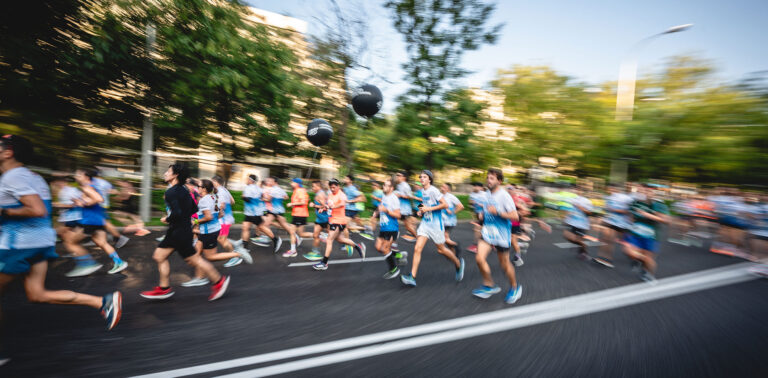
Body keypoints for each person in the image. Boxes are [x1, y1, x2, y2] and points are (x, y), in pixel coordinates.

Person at [0, 135, 121, 364]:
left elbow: (36, 209)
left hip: (19, 244)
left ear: (9, 152)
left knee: (89, 243)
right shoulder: (31, 176)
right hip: (39, 241)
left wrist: (4, 213)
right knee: (37, 294)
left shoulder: (12, 177)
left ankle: (99, 265)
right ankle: (102, 302)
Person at [140, 163, 229, 301]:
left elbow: (177, 213)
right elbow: (193, 208)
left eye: (168, 171)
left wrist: (167, 218)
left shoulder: (171, 192)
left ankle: (218, 281)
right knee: (159, 256)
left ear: (175, 175)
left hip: (179, 232)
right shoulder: (184, 190)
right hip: (179, 230)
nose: (165, 174)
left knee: (194, 260)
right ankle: (164, 289)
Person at [400, 170, 464, 287]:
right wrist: (420, 211)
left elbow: (445, 204)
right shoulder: (422, 191)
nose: (421, 179)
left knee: (441, 249)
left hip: (436, 226)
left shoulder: (433, 190)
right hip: (425, 224)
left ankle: (458, 263)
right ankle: (412, 277)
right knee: (417, 248)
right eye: (420, 177)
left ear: (429, 179)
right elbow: (423, 203)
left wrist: (428, 209)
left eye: (424, 177)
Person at [182, 179, 252, 287]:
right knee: (197, 255)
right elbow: (220, 214)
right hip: (211, 230)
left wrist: (195, 221)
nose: (197, 188)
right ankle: (200, 278)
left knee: (210, 257)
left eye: (199, 186)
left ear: (204, 189)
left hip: (208, 232)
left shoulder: (204, 200)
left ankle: (238, 254)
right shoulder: (214, 197)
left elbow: (208, 217)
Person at [62, 169, 128, 276]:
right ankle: (119, 262)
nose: (76, 176)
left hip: (88, 221)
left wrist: (85, 202)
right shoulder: (91, 186)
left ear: (86, 177)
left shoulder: (86, 187)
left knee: (69, 241)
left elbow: (99, 199)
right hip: (98, 220)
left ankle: (87, 265)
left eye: (79, 174)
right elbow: (94, 199)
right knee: (102, 243)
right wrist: (81, 202)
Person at [471, 168, 522, 304]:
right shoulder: (486, 194)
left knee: (504, 264)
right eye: (488, 177)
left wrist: (498, 212)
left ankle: (515, 287)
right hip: (488, 232)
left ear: (499, 181)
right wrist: (481, 216)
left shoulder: (504, 196)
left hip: (502, 234)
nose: (489, 180)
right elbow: (486, 210)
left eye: (492, 178)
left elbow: (515, 216)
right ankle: (489, 285)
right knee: (479, 258)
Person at [312, 179, 366, 270]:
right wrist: (323, 208)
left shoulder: (342, 195)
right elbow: (328, 206)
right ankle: (358, 246)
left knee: (329, 239)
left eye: (334, 187)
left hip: (339, 221)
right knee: (340, 239)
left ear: (338, 186)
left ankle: (324, 263)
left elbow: (341, 204)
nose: (332, 189)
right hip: (332, 220)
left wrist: (331, 206)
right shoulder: (329, 195)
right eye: (331, 187)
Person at [622, 185, 669, 283]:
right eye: (644, 191)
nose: (646, 193)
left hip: (651, 235)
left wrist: (647, 215)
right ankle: (641, 261)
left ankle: (649, 275)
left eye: (649, 191)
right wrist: (629, 225)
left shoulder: (658, 204)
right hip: (635, 232)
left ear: (654, 193)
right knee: (628, 251)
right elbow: (631, 216)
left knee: (648, 258)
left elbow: (666, 220)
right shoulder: (636, 203)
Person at [594, 184, 633, 268]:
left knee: (626, 244)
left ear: (617, 189)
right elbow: (607, 210)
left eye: (612, 188)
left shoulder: (625, 198)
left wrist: (615, 210)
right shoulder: (609, 198)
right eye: (609, 189)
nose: (610, 190)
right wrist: (602, 219)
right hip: (611, 222)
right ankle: (604, 258)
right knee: (607, 239)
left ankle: (635, 257)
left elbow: (628, 211)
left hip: (622, 224)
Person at [91, 170, 131, 249]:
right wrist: (106, 192)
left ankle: (119, 238)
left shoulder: (93, 182)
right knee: (100, 224)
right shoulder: (105, 182)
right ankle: (101, 239)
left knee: (105, 223)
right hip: (102, 205)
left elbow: (114, 192)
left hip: (99, 205)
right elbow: (115, 191)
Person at [211, 175, 244, 265]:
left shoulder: (220, 191)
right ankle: (235, 251)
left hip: (224, 220)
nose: (211, 183)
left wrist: (213, 210)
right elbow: (232, 201)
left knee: (221, 239)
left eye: (212, 181)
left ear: (215, 182)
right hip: (226, 219)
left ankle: (235, 256)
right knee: (220, 238)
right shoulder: (224, 190)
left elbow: (222, 205)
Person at [377, 178, 403, 279]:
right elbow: (382, 208)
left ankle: (394, 269)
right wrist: (377, 212)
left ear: (391, 188)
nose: (384, 186)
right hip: (383, 227)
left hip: (391, 228)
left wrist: (386, 210)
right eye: (384, 185)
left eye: (386, 185)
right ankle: (398, 255)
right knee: (378, 248)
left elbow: (398, 215)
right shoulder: (384, 196)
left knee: (384, 249)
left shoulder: (394, 198)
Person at [236, 174, 270, 253]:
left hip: (256, 211)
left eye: (247, 179)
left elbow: (265, 199)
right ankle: (246, 246)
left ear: (251, 180)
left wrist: (243, 197)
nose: (246, 180)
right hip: (255, 211)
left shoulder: (255, 189)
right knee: (247, 228)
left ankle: (271, 238)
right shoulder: (259, 189)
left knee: (262, 226)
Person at [561, 188, 594, 261]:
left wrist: (581, 207)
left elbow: (590, 213)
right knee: (567, 236)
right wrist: (566, 217)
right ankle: (581, 246)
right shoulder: (573, 199)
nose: (578, 191)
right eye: (577, 190)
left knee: (578, 239)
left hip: (582, 224)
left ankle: (584, 252)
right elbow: (570, 209)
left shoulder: (587, 201)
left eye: (580, 190)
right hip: (572, 222)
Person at [303, 181, 330, 261]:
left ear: (318, 187)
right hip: (320, 219)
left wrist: (314, 205)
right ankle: (316, 253)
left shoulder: (320, 195)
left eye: (313, 186)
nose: (312, 188)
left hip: (326, 219)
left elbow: (326, 207)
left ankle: (350, 244)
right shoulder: (318, 194)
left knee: (335, 237)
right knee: (315, 235)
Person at [284, 178, 311, 257]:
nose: (291, 183)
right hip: (298, 214)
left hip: (299, 214)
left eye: (292, 182)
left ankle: (293, 251)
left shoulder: (300, 190)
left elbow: (303, 202)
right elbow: (306, 199)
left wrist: (292, 204)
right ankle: (318, 235)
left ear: (297, 183)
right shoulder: (298, 190)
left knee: (292, 232)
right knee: (300, 234)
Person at [394, 171, 418, 243]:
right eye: (397, 175)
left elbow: (410, 197)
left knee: (407, 225)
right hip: (399, 208)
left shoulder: (405, 185)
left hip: (404, 209)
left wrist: (400, 195)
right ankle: (417, 237)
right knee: (407, 226)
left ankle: (392, 238)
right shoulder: (399, 185)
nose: (397, 176)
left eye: (399, 175)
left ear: (404, 177)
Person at [440, 183, 464, 255]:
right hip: (442, 221)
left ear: (448, 189)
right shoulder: (440, 196)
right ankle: (453, 251)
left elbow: (461, 206)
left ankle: (456, 245)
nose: (442, 188)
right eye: (442, 186)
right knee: (445, 238)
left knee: (444, 237)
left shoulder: (451, 197)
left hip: (449, 221)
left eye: (444, 187)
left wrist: (453, 212)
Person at [467, 182, 486, 253]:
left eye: (477, 186)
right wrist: (471, 203)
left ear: (481, 188)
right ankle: (490, 243)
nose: (475, 187)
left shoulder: (485, 194)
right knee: (481, 229)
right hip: (477, 213)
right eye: (474, 186)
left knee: (477, 229)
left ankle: (476, 246)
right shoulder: (472, 194)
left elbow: (488, 205)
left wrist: (482, 211)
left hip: (484, 213)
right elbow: (471, 204)